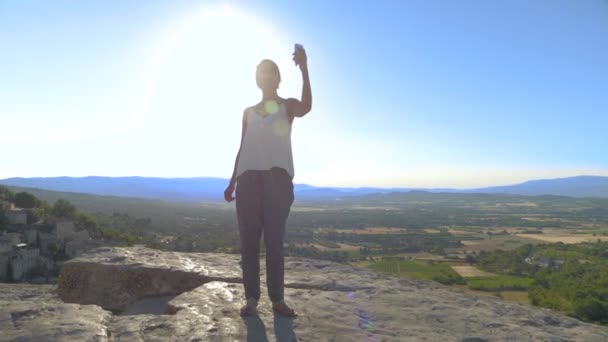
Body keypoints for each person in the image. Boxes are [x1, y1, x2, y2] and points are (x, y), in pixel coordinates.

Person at [224, 45, 312, 317]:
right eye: (260, 73)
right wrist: (232, 181)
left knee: (274, 243)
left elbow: (307, 107)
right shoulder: (248, 111)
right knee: (249, 242)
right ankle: (251, 298)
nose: (264, 77)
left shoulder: (287, 106)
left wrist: (305, 69)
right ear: (257, 79)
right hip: (247, 179)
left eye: (269, 72)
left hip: (278, 180)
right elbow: (242, 146)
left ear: (277, 78)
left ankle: (277, 299)